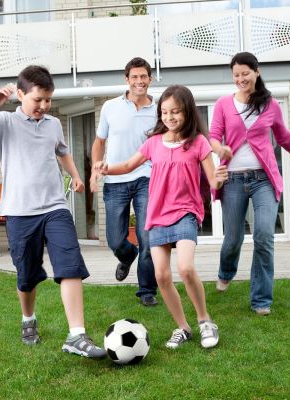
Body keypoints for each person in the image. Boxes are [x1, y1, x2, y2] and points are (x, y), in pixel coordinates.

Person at [0, 65, 106, 358]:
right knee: (26, 276)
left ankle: (76, 335)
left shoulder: (53, 124)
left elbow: (63, 151)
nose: (43, 106)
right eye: (37, 99)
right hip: (19, 211)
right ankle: (28, 319)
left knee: (70, 264)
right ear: (20, 94)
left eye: (48, 100)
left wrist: (76, 176)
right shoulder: (3, 122)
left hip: (55, 206)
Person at [94, 85, 228, 349]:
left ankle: (204, 321)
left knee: (186, 268)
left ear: (187, 112)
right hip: (157, 215)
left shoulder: (198, 143)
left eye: (175, 112)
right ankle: (183, 327)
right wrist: (106, 167)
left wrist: (220, 179)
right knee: (162, 276)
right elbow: (128, 165)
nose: (169, 117)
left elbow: (213, 180)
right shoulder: (154, 142)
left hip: (186, 212)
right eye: (165, 112)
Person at [209, 52, 290, 316]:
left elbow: (283, 137)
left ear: (257, 72)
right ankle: (226, 271)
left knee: (264, 235)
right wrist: (221, 150)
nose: (241, 79)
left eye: (245, 73)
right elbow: (213, 137)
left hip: (263, 178)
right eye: (236, 75)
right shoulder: (223, 104)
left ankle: (261, 299)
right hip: (233, 180)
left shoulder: (271, 105)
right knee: (233, 238)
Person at [90, 57, 158, 307]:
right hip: (116, 179)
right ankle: (127, 256)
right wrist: (94, 170)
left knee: (147, 237)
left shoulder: (160, 108)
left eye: (144, 76)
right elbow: (99, 142)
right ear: (127, 79)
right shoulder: (110, 107)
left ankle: (147, 290)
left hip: (147, 178)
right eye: (135, 77)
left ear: (150, 78)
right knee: (115, 240)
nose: (139, 81)